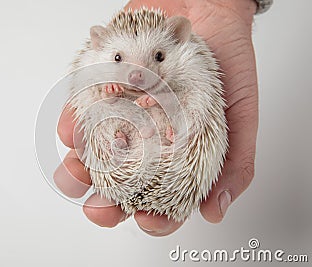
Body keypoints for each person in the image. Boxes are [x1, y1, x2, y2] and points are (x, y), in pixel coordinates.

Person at [55, 0, 270, 236]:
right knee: (101, 106)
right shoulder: (95, 70)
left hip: (169, 145)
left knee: (191, 108)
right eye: (118, 59)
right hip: (131, 137)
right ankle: (125, 141)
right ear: (99, 45)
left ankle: (159, 136)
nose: (137, 74)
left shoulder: (193, 67)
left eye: (158, 56)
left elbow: (196, 101)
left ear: (180, 38)